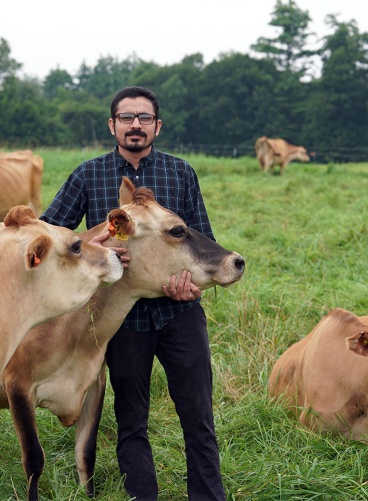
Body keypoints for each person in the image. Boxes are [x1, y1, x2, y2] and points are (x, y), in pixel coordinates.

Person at [41, 86, 226, 500]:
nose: (135, 125)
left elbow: (203, 241)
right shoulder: (88, 175)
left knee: (198, 416)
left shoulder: (180, 173)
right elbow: (52, 232)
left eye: (144, 118)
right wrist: (94, 247)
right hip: (122, 319)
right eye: (127, 118)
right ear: (113, 125)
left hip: (180, 313)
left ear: (157, 126)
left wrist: (190, 285)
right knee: (131, 421)